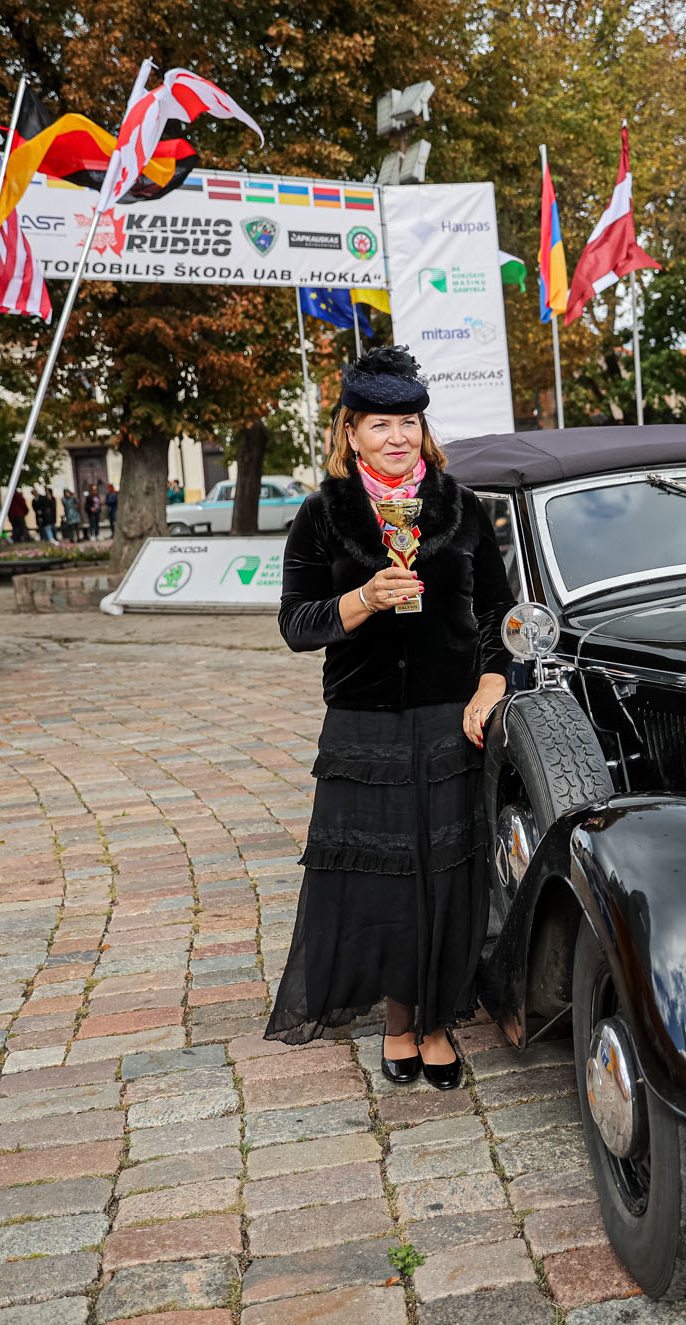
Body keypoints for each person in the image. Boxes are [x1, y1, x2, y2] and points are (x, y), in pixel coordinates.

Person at [266, 344, 514, 1090]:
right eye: (380, 424)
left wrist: (492, 683)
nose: (397, 437)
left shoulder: (461, 508)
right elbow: (296, 623)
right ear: (350, 431)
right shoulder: (322, 515)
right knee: (385, 884)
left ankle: (438, 1021)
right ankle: (399, 1024)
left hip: (449, 722)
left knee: (447, 875)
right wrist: (362, 601)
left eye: (408, 422)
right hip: (364, 726)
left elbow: (501, 613)